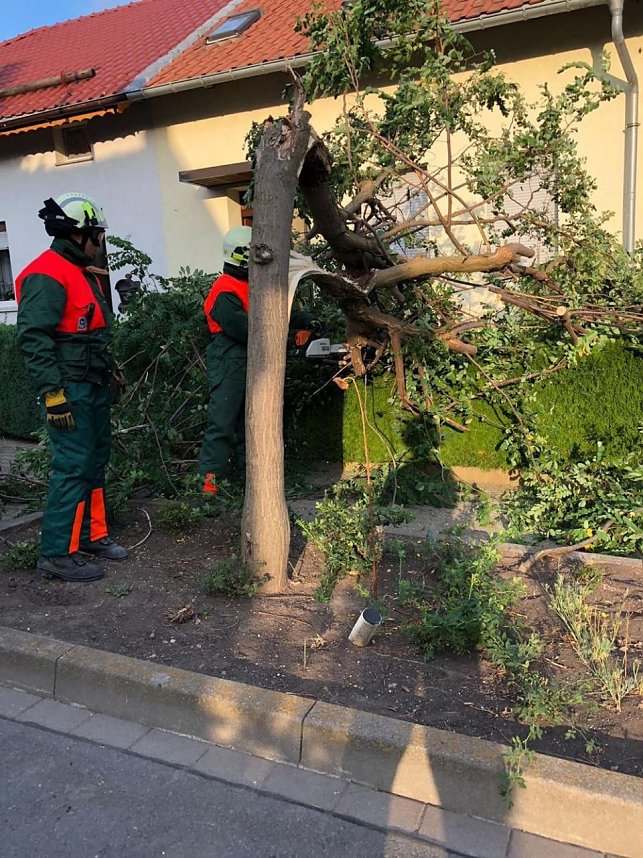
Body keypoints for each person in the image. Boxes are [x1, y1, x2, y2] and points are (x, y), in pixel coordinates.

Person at [15, 192, 128, 582]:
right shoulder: (46, 274)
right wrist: (53, 394)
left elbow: (89, 334)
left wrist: (110, 374)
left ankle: (92, 535)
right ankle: (56, 553)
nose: (100, 243)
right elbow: (34, 338)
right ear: (78, 235)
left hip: (91, 385)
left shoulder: (79, 272)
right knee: (72, 466)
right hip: (69, 390)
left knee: (95, 460)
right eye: (96, 235)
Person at [198, 226, 320, 494]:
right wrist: (285, 337)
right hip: (229, 361)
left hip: (253, 362)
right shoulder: (224, 290)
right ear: (242, 255)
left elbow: (282, 311)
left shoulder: (253, 285)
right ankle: (208, 489)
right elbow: (245, 329)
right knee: (222, 425)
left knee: (249, 428)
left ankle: (248, 489)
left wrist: (309, 321)